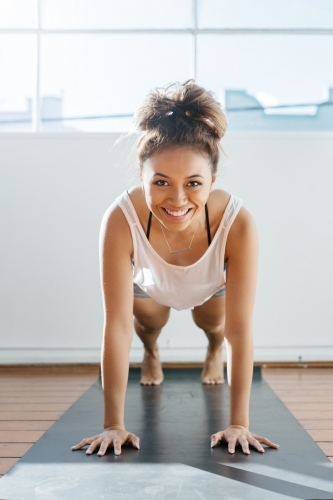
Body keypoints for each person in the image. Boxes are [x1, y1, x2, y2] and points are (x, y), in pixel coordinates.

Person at [72, 80, 279, 457]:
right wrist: (113, 426)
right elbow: (117, 326)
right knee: (147, 325)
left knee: (215, 327)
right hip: (149, 284)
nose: (178, 199)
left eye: (194, 183)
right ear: (142, 179)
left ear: (212, 181)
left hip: (209, 284)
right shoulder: (120, 219)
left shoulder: (239, 224)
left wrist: (239, 424)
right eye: (161, 182)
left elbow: (240, 330)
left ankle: (210, 350)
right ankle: (153, 351)